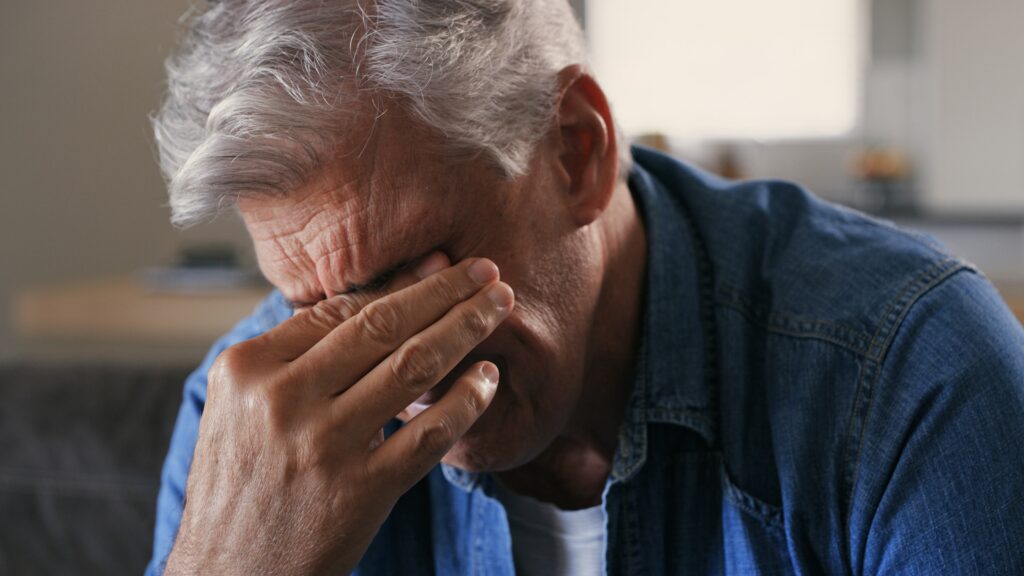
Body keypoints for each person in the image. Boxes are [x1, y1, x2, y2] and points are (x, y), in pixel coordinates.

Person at [146, 1, 1024, 574]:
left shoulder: (915, 375)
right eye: (314, 307)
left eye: (413, 274)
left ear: (576, 150)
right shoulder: (250, 416)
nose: (390, 374)